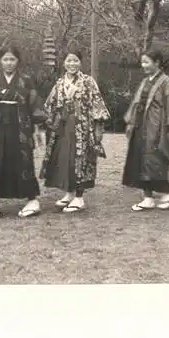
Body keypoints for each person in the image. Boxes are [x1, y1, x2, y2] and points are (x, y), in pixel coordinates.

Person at [0, 44, 47, 218]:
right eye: (5, 59)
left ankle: (32, 201)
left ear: (18, 61)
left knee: (23, 161)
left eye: (12, 59)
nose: (9, 63)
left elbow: (34, 105)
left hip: (20, 128)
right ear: (0, 61)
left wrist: (37, 128)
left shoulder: (26, 80)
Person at [39, 45, 110, 213]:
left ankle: (79, 197)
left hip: (83, 128)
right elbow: (49, 106)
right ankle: (69, 193)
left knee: (80, 160)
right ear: (63, 63)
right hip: (63, 128)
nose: (72, 64)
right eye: (69, 60)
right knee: (65, 160)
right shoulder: (59, 83)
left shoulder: (88, 81)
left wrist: (98, 127)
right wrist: (48, 120)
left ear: (80, 62)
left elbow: (97, 104)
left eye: (75, 60)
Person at [121, 49, 169, 212]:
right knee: (140, 162)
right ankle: (148, 197)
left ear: (157, 63)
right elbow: (136, 104)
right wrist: (130, 122)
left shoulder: (166, 82)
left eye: (146, 62)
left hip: (157, 128)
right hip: (141, 126)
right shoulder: (145, 81)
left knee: (156, 162)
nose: (143, 65)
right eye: (142, 62)